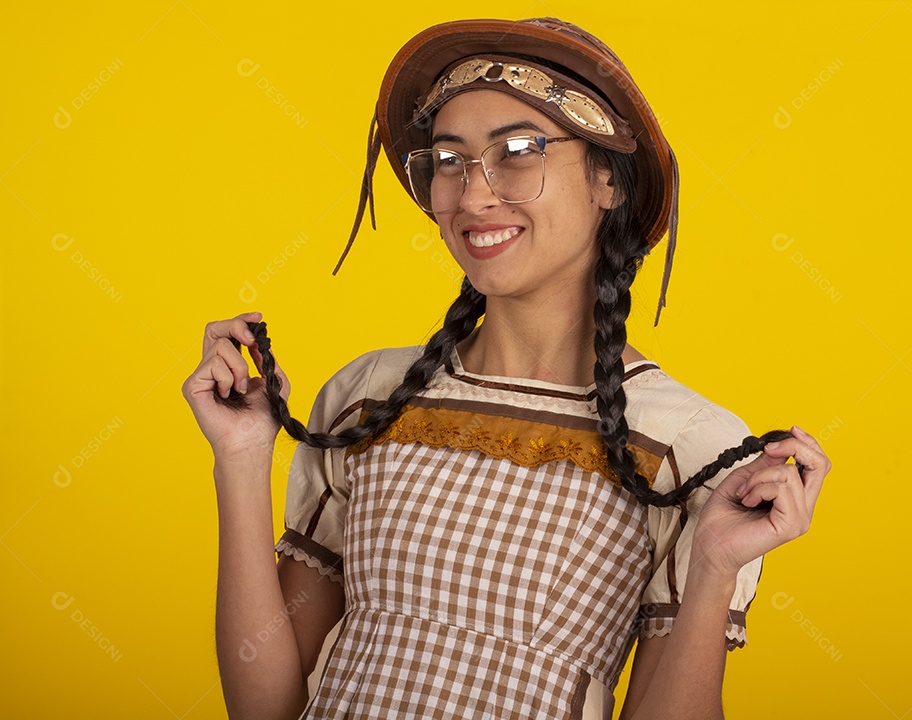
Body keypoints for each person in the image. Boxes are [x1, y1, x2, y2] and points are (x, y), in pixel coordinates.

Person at [182, 17, 830, 720]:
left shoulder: (690, 448)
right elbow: (264, 708)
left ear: (607, 180)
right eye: (449, 161)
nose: (473, 195)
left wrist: (713, 569)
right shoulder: (367, 399)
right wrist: (242, 462)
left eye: (517, 151)